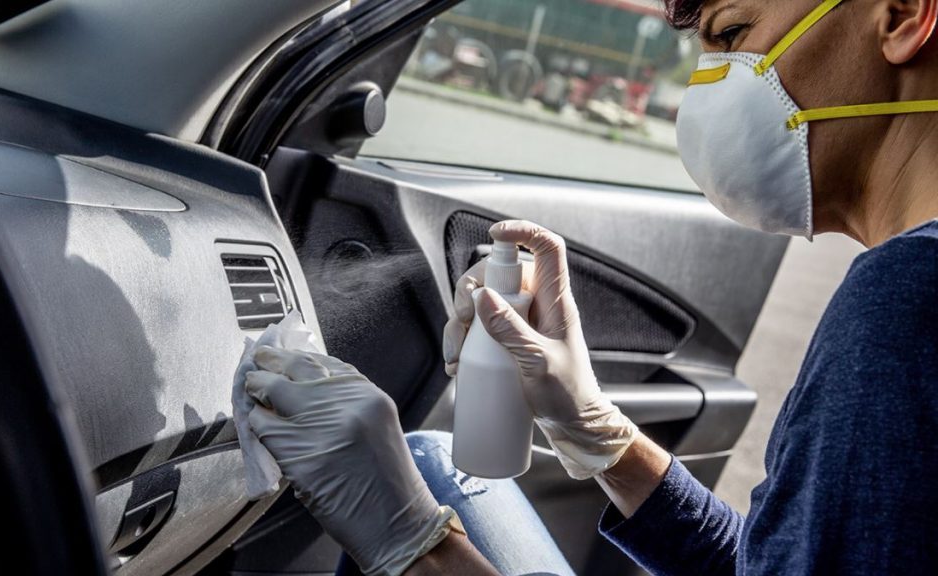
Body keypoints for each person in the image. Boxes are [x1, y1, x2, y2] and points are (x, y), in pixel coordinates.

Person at [244, 0, 938, 574]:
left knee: (421, 482)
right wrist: (596, 428)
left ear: (903, 14)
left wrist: (415, 548)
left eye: (732, 33)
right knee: (428, 460)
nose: (712, 87)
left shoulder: (906, 303)